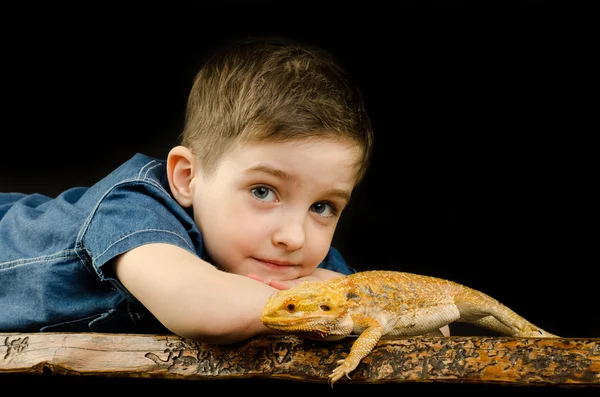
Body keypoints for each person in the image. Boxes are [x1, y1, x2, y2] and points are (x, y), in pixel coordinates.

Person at [0, 36, 449, 342]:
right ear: (187, 178)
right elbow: (203, 307)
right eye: (262, 191)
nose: (293, 235)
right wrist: (341, 302)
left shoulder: (294, 262)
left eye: (322, 206)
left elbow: (425, 324)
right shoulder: (134, 208)